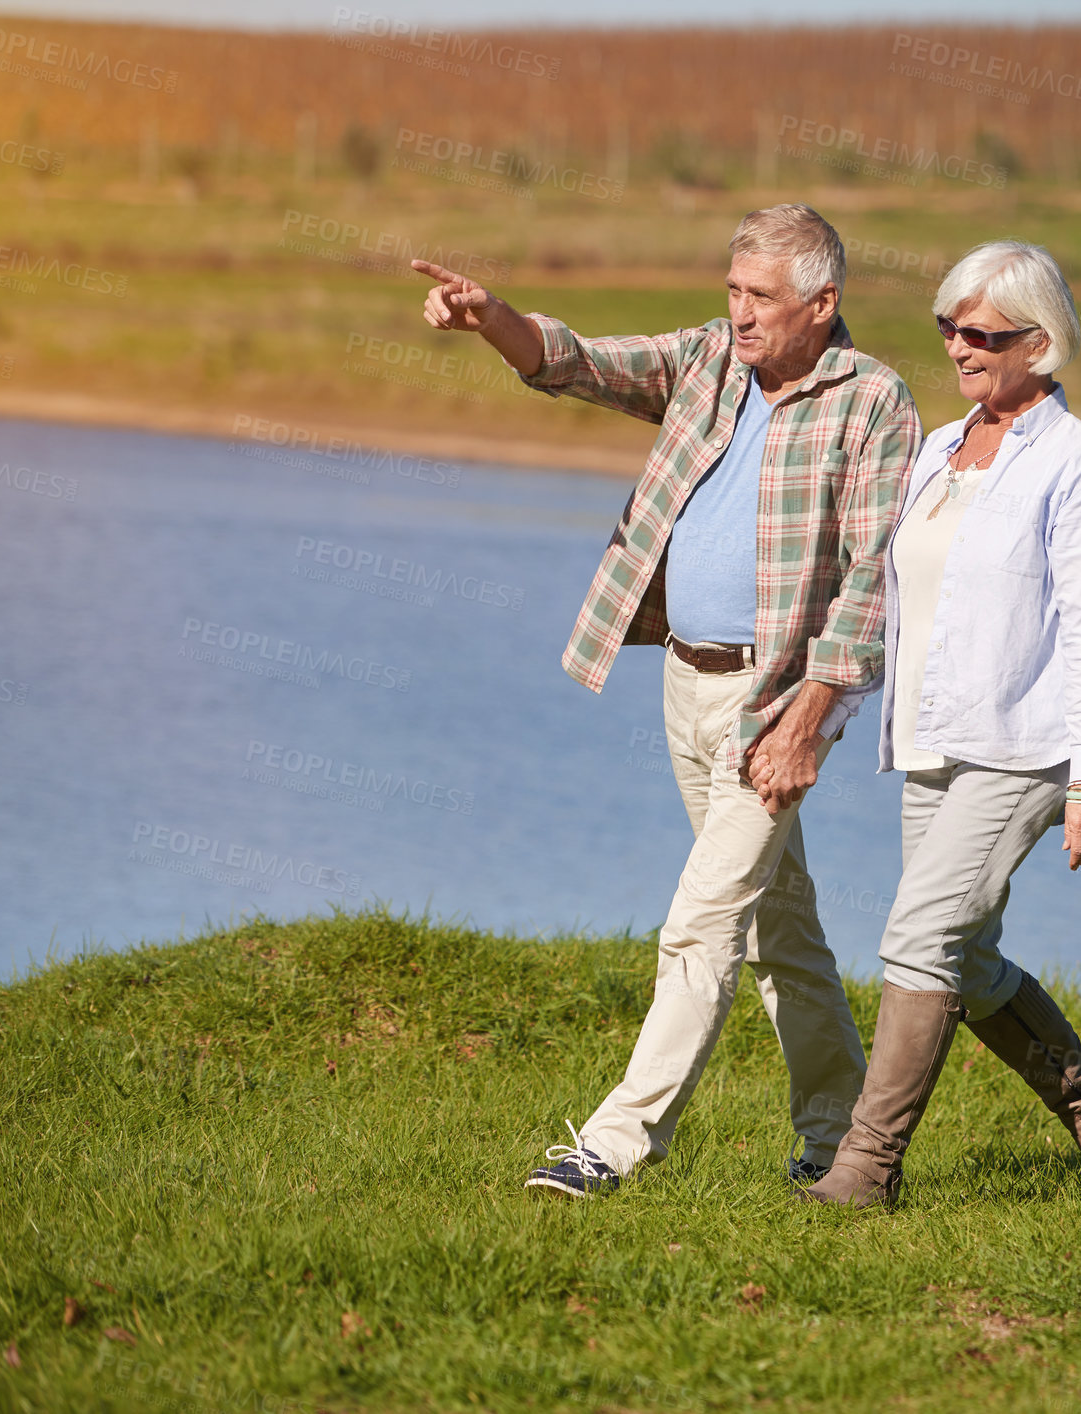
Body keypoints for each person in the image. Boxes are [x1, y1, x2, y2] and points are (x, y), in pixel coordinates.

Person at [413, 204, 921, 1198]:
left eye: (760, 298)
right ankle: (845, 1144)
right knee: (783, 931)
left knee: (701, 922)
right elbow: (582, 363)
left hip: (774, 700)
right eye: (731, 291)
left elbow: (873, 581)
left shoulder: (872, 402)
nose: (738, 314)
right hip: (681, 677)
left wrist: (807, 722)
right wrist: (495, 318)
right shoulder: (708, 360)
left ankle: (611, 1145)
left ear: (821, 304)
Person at [762, 239, 1081, 1210]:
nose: (960, 347)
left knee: (917, 935)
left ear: (1041, 339)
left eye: (982, 332)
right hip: (930, 738)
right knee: (964, 958)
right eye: (949, 327)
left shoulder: (1080, 468)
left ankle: (865, 1167)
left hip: (1025, 747)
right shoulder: (939, 448)